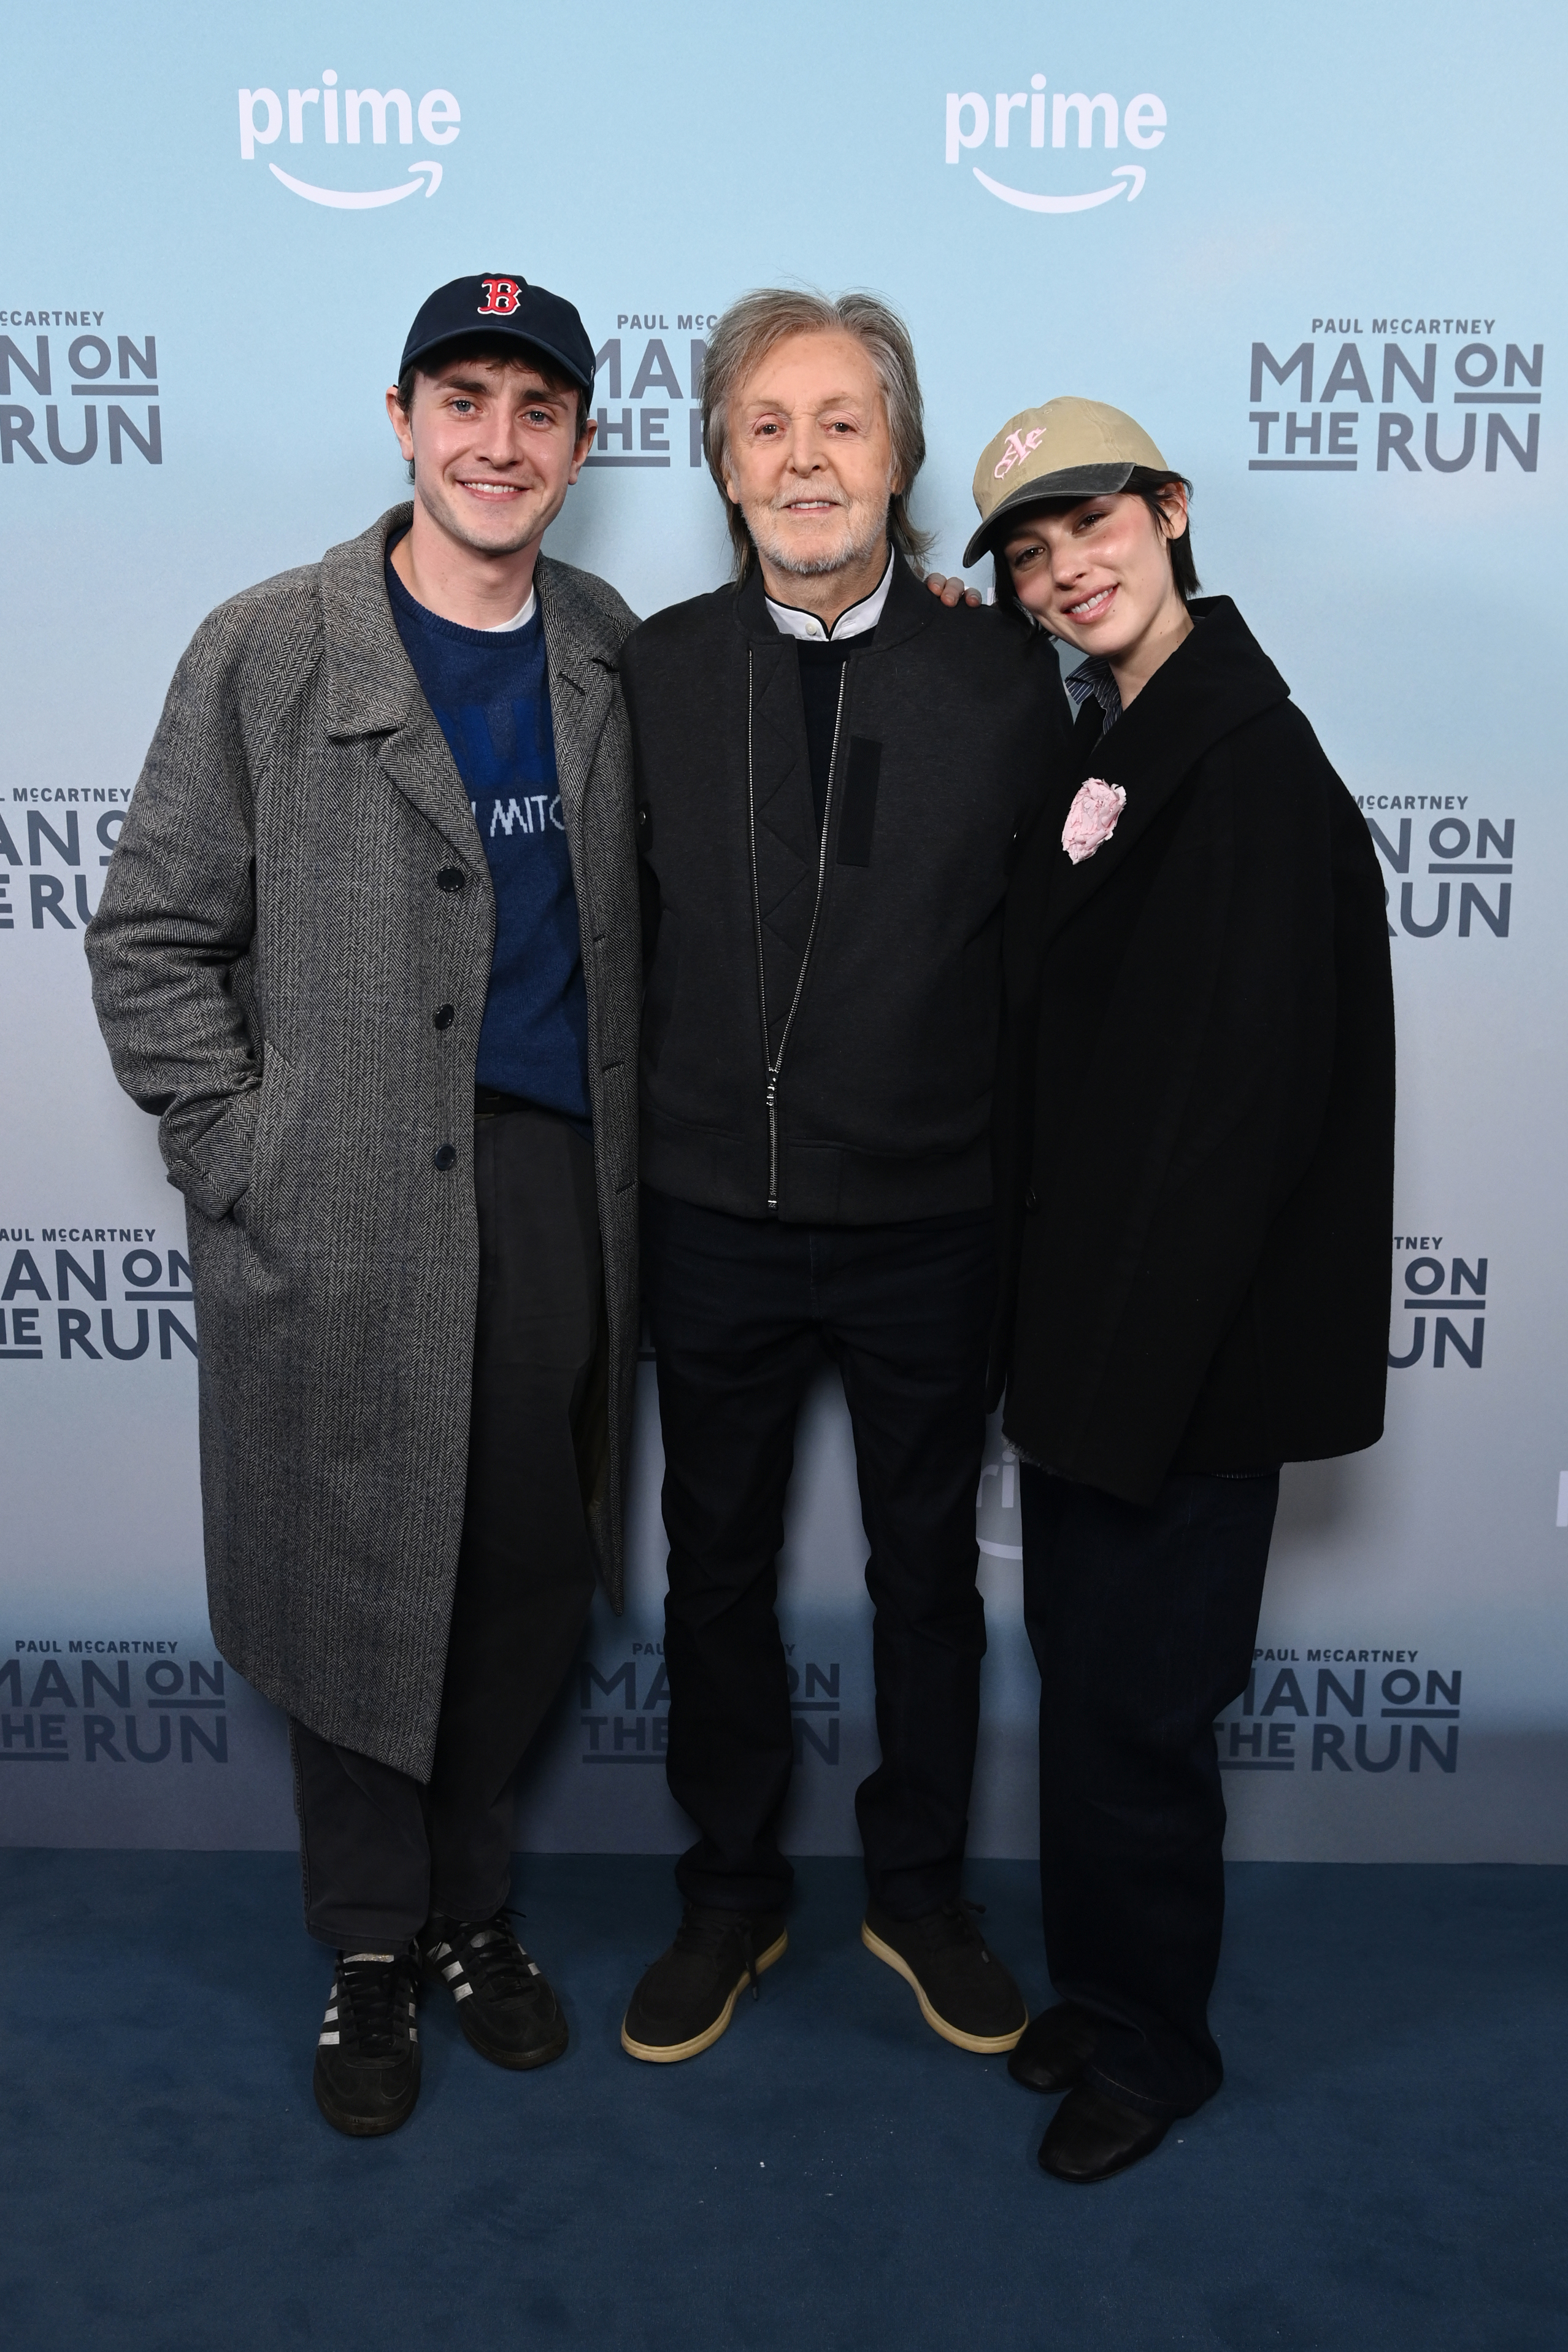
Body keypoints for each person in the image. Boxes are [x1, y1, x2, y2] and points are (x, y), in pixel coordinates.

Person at [85, 275, 642, 2138]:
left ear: (580, 445)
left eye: (537, 410)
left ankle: (473, 1908)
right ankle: (371, 1941)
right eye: (462, 399)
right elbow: (152, 935)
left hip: (552, 1183)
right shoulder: (268, 648)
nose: (499, 441)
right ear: (400, 419)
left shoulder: (609, 650)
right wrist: (244, 1157)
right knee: (352, 1567)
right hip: (339, 1194)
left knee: (520, 1569)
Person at [615, 290, 1070, 2066]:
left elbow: (1048, 961)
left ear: (899, 460)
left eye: (842, 424)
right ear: (724, 468)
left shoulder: (1000, 674)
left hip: (929, 1222)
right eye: (767, 426)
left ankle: (920, 1890)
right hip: (708, 1215)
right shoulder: (651, 671)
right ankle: (729, 1891)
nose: (804, 458)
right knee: (713, 1569)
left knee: (926, 1578)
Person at [956, 398, 1394, 2182]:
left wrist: (1118, 1390)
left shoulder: (1246, 762)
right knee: (1086, 1684)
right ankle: (1103, 1985)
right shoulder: (1127, 733)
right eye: (1029, 553)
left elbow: (1233, 1122)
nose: (1067, 570)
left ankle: (1159, 2048)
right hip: (1093, 1327)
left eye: (1092, 524)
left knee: (1141, 1704)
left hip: (1185, 1354)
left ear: (1171, 511)